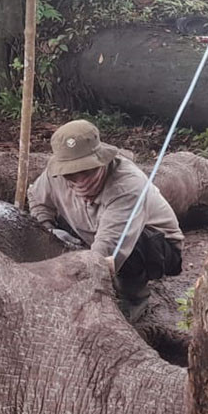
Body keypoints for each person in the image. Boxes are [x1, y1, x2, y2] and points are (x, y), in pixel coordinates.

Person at [28, 119, 184, 321]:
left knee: (133, 248)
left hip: (153, 245)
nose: (81, 181)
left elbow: (107, 247)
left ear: (101, 160)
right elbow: (37, 200)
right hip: (92, 233)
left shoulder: (127, 185)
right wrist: (47, 228)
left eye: (87, 171)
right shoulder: (53, 175)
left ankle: (134, 297)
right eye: (71, 175)